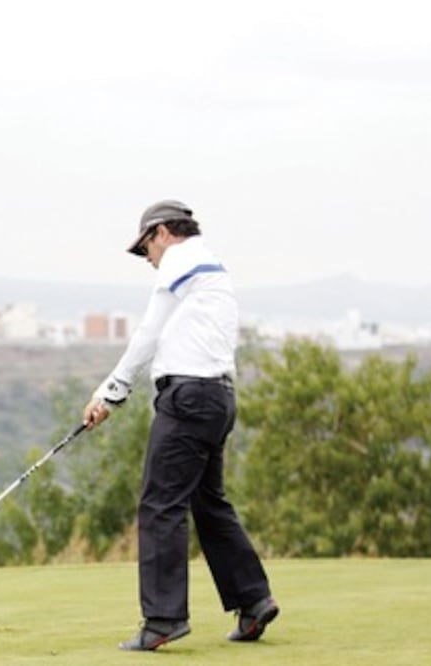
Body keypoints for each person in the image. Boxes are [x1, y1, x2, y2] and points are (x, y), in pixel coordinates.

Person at [81, 199, 279, 651]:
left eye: (145, 247)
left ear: (164, 232)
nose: (147, 259)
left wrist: (111, 392)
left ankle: (163, 620)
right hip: (217, 398)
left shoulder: (181, 260)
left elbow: (148, 333)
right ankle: (253, 601)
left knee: (160, 504)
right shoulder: (213, 269)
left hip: (188, 398)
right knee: (209, 503)